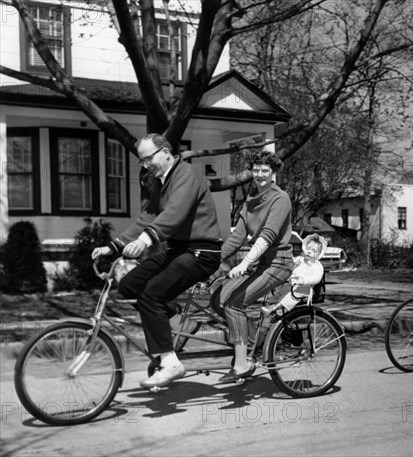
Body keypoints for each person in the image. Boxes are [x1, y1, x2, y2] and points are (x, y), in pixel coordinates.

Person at [91, 133, 222, 389]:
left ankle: (171, 362)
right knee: (129, 285)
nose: (146, 165)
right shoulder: (161, 183)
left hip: (202, 252)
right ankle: (176, 323)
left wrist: (144, 241)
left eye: (148, 158)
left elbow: (174, 214)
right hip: (178, 250)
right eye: (142, 161)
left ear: (165, 151)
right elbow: (147, 217)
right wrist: (112, 247)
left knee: (151, 295)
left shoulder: (187, 175)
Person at [213, 149, 294, 383]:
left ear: (273, 174)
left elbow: (268, 235)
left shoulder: (281, 199)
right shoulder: (250, 202)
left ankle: (241, 364)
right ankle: (251, 343)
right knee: (218, 296)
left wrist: (245, 263)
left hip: (279, 263)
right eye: (256, 170)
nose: (259, 174)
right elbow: (236, 239)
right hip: (262, 263)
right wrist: (208, 263)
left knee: (234, 303)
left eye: (264, 171)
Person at [261, 234, 327, 316]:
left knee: (290, 297)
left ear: (319, 254)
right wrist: (293, 264)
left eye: (314, 251)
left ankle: (274, 308)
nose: (310, 251)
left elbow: (317, 278)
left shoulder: (317, 266)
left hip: (304, 289)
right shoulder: (300, 259)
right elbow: (290, 264)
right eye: (308, 248)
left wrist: (304, 280)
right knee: (281, 292)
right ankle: (271, 304)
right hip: (291, 285)